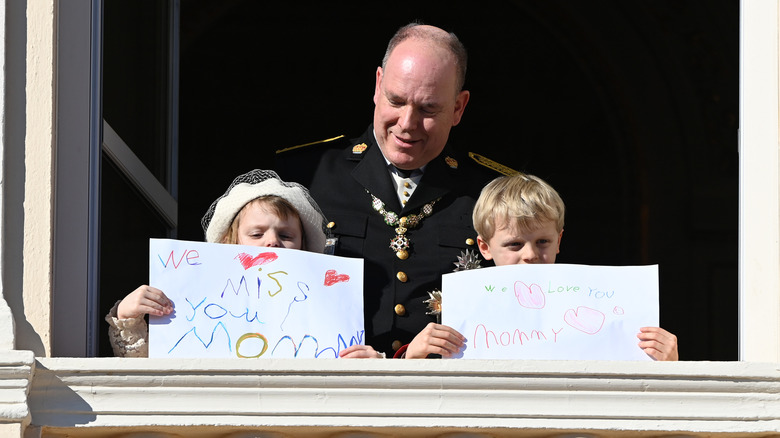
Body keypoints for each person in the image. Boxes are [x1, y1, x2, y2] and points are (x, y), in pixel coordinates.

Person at [276, 23, 509, 357]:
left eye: (428, 108)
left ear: (458, 107)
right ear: (377, 85)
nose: (407, 123)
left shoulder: (493, 192)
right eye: (396, 101)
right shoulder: (301, 176)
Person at [105, 169, 380, 358]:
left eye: (285, 235)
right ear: (230, 242)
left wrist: (370, 364)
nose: (272, 242)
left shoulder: (326, 310)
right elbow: (146, 366)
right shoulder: (195, 300)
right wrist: (128, 316)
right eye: (257, 234)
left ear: (305, 248)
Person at [403, 172, 679, 360]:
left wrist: (668, 365)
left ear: (559, 240)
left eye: (543, 241)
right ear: (484, 247)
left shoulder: (596, 302)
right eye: (514, 245)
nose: (530, 254)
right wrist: (413, 358)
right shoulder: (464, 312)